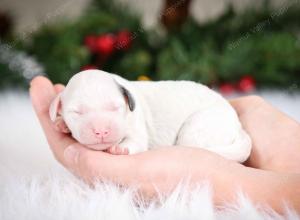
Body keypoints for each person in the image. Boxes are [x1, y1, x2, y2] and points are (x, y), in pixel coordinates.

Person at [30, 76, 300, 213]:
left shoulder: (132, 102)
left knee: (194, 138)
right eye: (78, 113)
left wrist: (129, 147)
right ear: (60, 109)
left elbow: (137, 140)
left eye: (113, 109)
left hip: (208, 117)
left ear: (126, 101)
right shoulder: (84, 100)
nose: (100, 129)